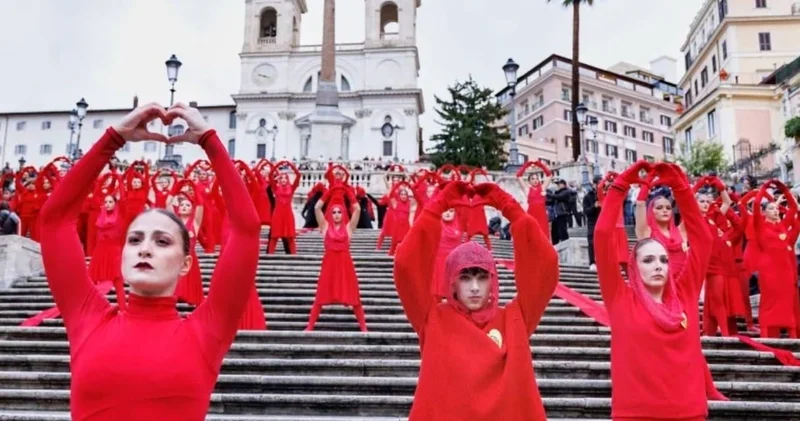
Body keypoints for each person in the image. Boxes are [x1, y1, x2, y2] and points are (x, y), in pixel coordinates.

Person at [38, 102, 261, 420]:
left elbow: (246, 229)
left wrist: (209, 140)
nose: (145, 249)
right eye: (135, 239)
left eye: (162, 241)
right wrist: (114, 137)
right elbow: (54, 219)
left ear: (186, 263)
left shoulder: (206, 332)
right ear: (123, 255)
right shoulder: (87, 317)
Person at [394, 181, 559, 420]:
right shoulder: (432, 318)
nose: (474, 287)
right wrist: (437, 205)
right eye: (465, 277)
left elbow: (546, 264)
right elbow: (405, 264)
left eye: (482, 278)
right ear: (452, 282)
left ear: (492, 281)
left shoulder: (515, 319)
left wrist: (510, 208)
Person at [596, 161, 713, 420]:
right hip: (635, 414)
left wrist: (681, 189)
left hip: (688, 412)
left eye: (663, 260)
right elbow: (603, 236)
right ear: (634, 267)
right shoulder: (620, 298)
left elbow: (703, 240)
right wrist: (620, 186)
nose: (658, 266)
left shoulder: (686, 293)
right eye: (648, 260)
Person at [306, 186, 366, 332]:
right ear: (330, 215)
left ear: (343, 213)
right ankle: (310, 326)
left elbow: (357, 209)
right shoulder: (325, 226)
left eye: (339, 212)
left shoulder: (348, 228)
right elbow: (317, 208)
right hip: (329, 266)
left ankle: (364, 327)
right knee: (321, 296)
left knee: (353, 296)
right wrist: (328, 193)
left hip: (345, 265)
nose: (337, 214)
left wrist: (348, 193)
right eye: (334, 212)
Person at [752, 179, 800, 338]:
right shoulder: (760, 226)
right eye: (771, 208)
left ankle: (793, 337)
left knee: (787, 302)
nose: (775, 210)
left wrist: (784, 189)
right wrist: (764, 187)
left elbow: (793, 208)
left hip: (785, 271)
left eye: (776, 208)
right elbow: (756, 205)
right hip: (769, 271)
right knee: (769, 303)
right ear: (764, 211)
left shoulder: (783, 226)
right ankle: (766, 336)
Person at [173, 195, 204, 306]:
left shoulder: (195, 223)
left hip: (190, 258)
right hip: (176, 256)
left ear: (192, 209)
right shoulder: (174, 223)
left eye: (187, 205)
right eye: (181, 205)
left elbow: (200, 205)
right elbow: (168, 203)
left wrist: (194, 188)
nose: (184, 207)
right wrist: (176, 188)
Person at [268, 161, 300, 254]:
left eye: (285, 178)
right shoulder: (276, 188)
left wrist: (291, 166)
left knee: (290, 237)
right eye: (281, 178)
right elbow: (270, 175)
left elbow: (298, 176)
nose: (283, 179)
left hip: (288, 214)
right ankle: (270, 256)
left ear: (288, 179)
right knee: (274, 237)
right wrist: (278, 165)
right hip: (278, 214)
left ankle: (294, 256)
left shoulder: (292, 188)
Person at [583, 175, 602, 271]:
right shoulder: (587, 197)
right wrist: (594, 206)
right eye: (598, 184)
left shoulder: (604, 194)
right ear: (594, 184)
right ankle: (592, 262)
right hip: (592, 223)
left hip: (603, 222)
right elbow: (586, 211)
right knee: (591, 242)